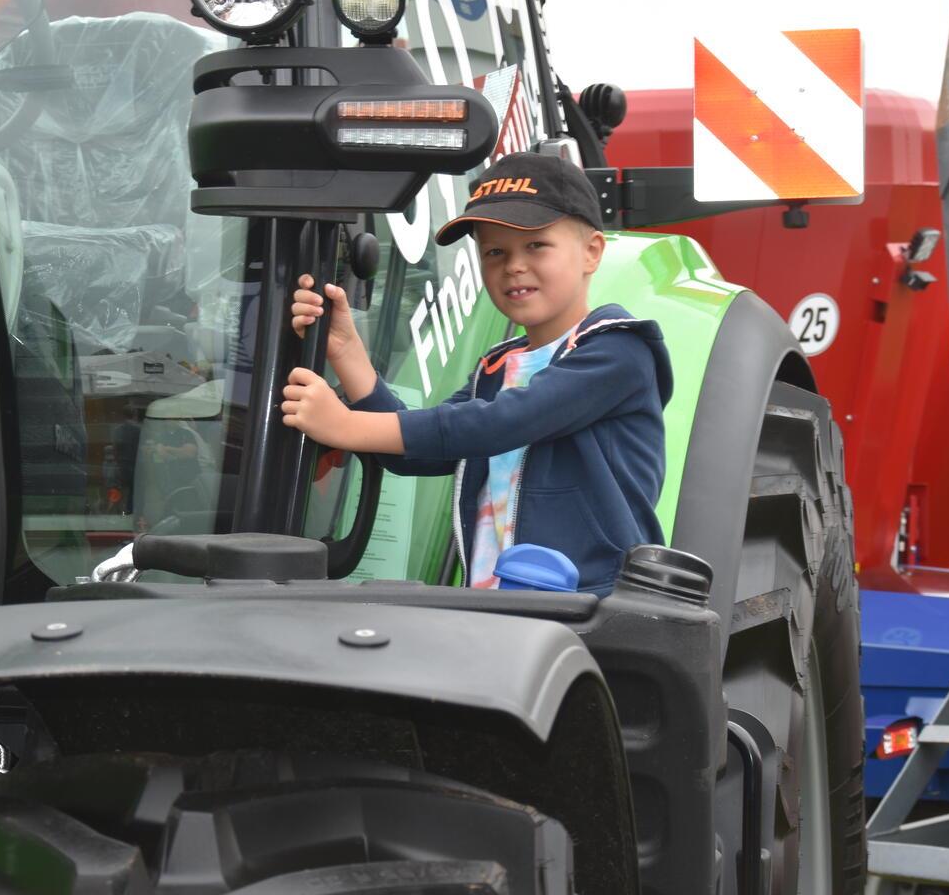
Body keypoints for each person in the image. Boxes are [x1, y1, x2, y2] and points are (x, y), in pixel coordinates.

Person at [281, 152, 673, 595]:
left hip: (592, 608)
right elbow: (418, 452)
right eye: (494, 252)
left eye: (536, 245)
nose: (514, 265)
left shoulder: (618, 349)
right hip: (497, 608)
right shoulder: (498, 366)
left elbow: (500, 423)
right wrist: (347, 352)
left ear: (591, 251)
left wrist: (345, 423)